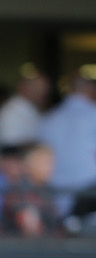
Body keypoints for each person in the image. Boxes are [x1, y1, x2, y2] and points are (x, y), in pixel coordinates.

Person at [38, 72, 96, 219]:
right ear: (91, 90)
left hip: (54, 197)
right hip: (89, 197)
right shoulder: (93, 115)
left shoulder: (48, 118)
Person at [0, 73, 49, 158]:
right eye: (37, 87)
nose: (42, 92)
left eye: (44, 88)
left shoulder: (32, 108)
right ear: (23, 87)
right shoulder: (10, 113)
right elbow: (9, 150)